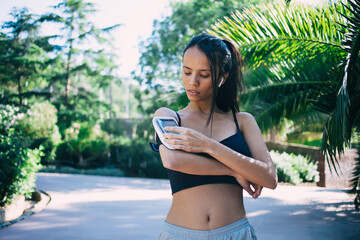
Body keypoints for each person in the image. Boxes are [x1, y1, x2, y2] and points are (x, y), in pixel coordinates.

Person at [151, 33, 277, 240]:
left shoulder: (242, 121)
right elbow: (172, 159)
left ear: (222, 78)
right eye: (187, 71)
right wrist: (233, 171)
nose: (193, 82)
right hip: (180, 234)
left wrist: (208, 146)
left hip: (236, 233)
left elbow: (269, 178)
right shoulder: (169, 117)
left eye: (204, 75)